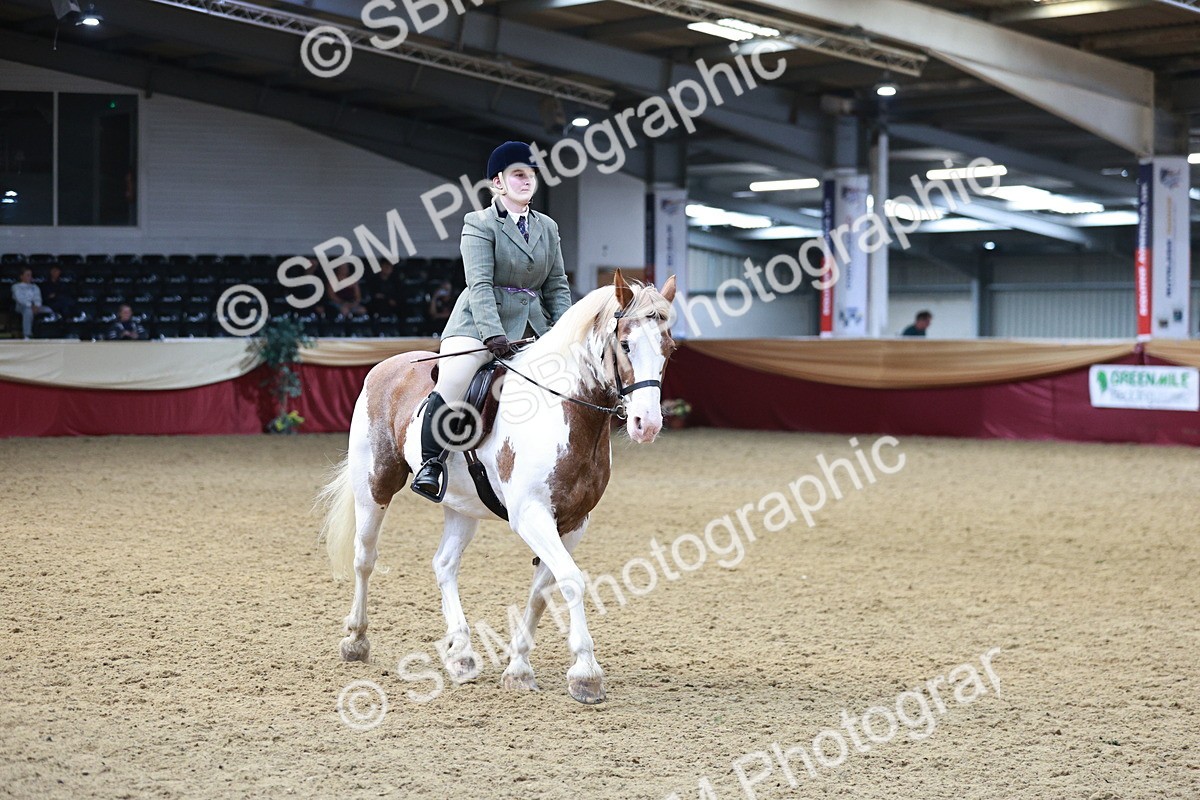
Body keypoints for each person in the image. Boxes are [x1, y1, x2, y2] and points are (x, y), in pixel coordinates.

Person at [411, 141, 572, 501]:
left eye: (531, 175)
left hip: (533, 324)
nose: (527, 181)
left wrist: (565, 331)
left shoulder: (547, 227)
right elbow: (480, 284)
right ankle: (431, 463)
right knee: (455, 378)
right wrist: (492, 334)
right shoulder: (479, 223)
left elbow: (557, 285)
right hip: (479, 323)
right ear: (497, 182)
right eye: (518, 175)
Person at [10, 267, 51, 339]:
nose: (30, 277)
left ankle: (47, 333)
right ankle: (27, 334)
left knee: (49, 310)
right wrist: (30, 306)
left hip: (35, 306)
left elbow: (38, 297)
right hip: (21, 306)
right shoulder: (16, 286)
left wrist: (37, 305)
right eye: (27, 275)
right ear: (21, 276)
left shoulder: (35, 287)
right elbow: (20, 299)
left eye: (30, 275)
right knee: (28, 311)